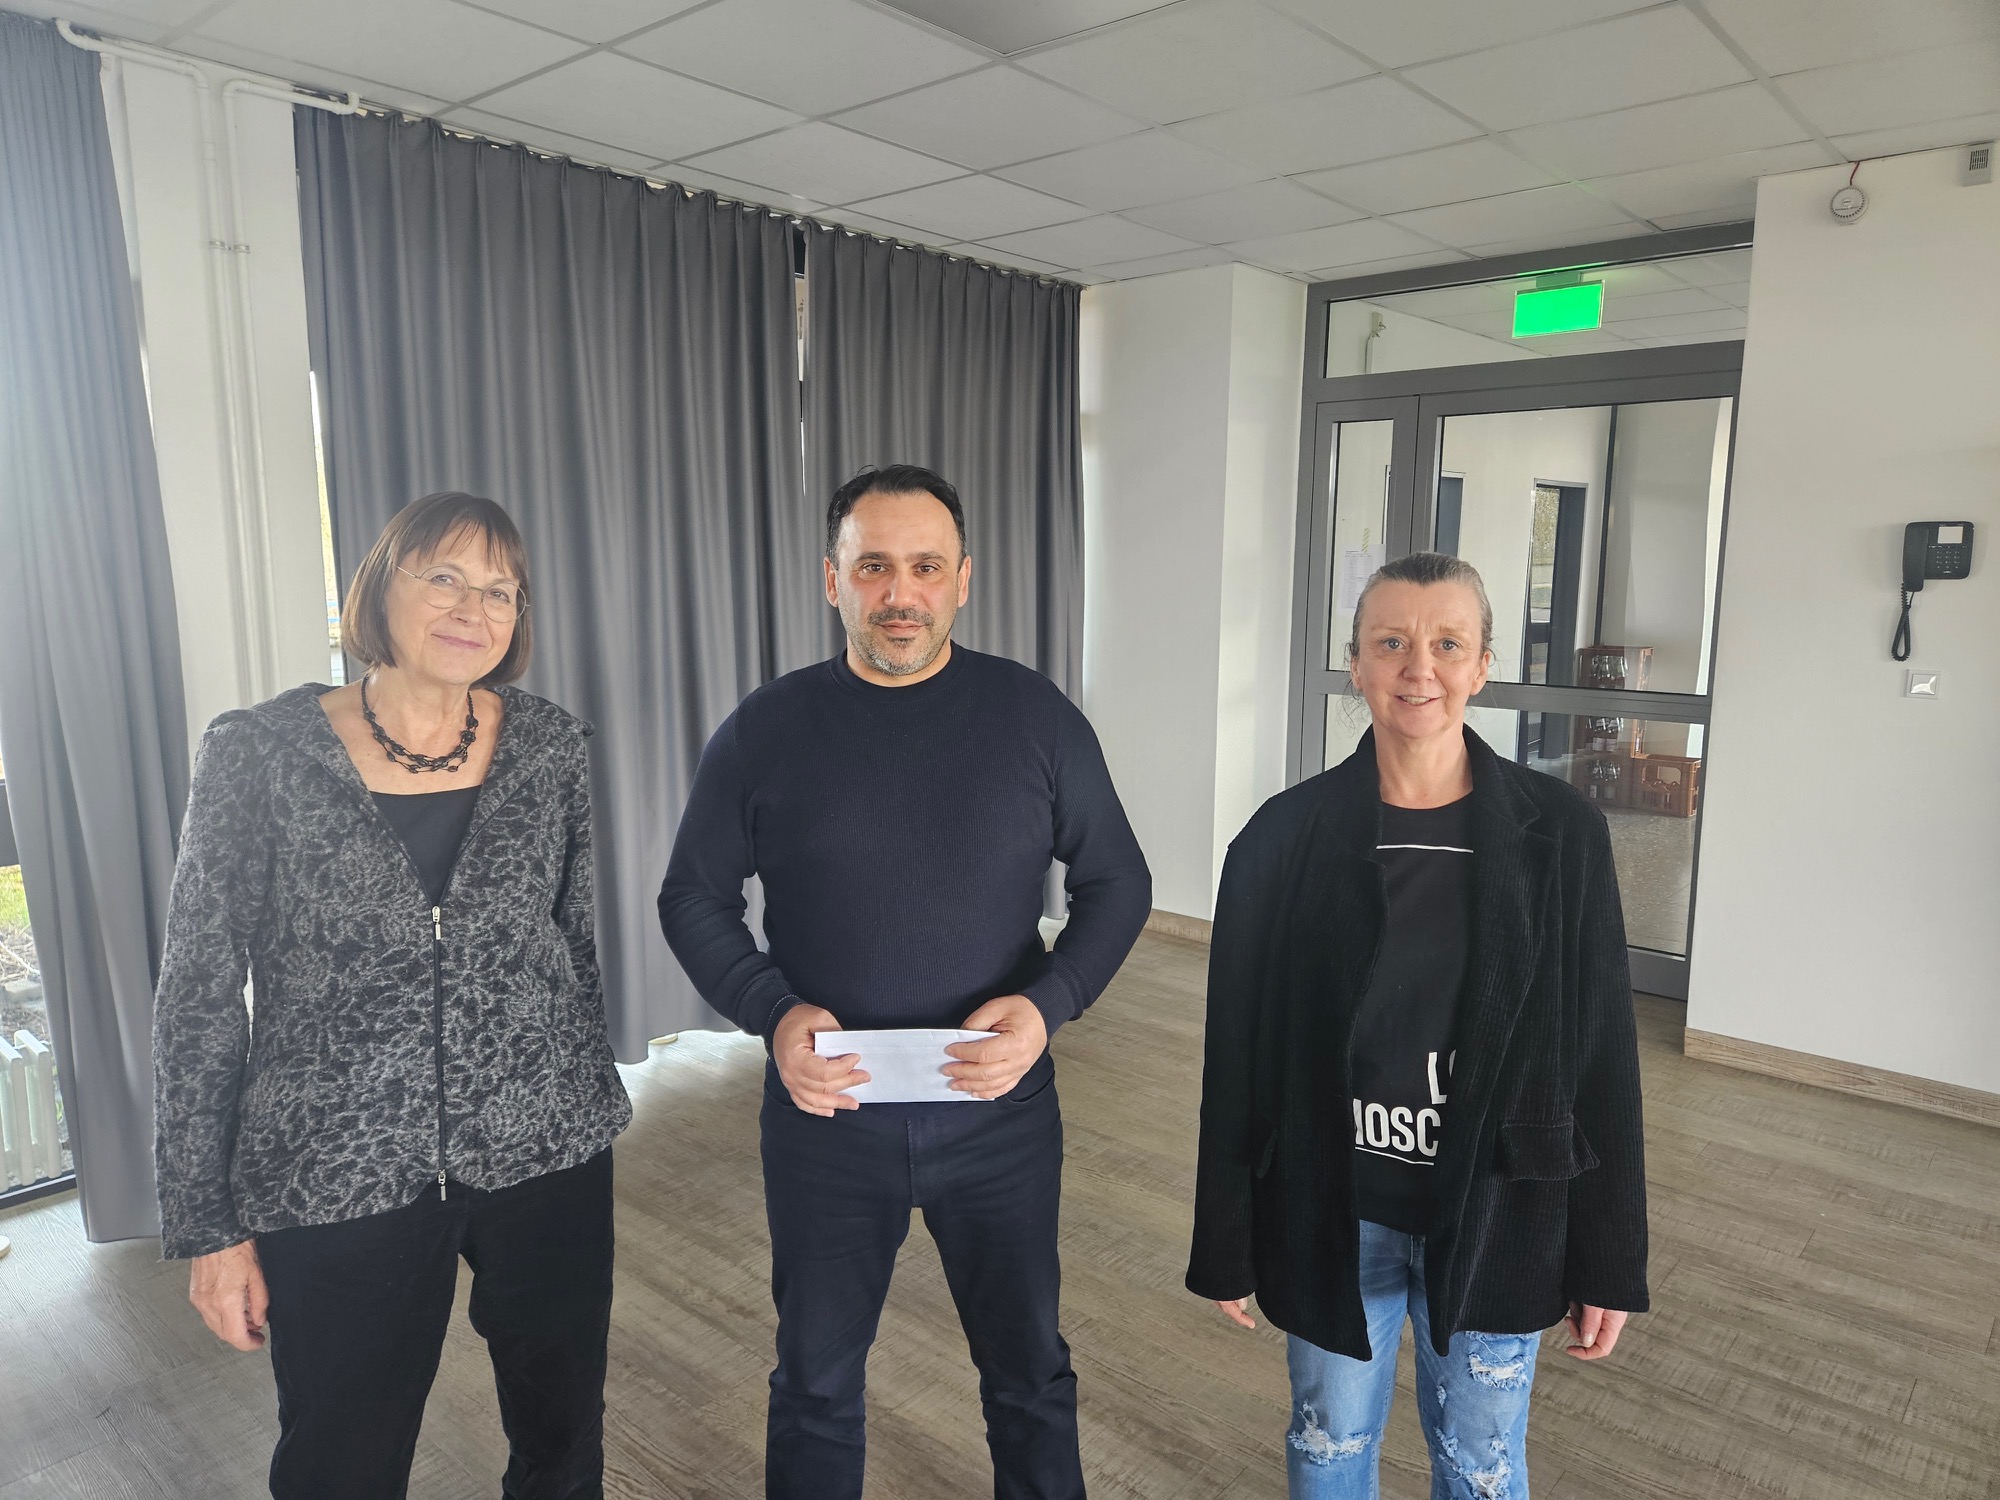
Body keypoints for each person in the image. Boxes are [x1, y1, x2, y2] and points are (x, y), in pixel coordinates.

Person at [659, 464, 1151, 1500]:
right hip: (827, 1116)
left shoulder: (1033, 716)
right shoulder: (767, 728)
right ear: (831, 579)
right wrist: (771, 1012)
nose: (900, 593)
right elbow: (692, 896)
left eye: (925, 567)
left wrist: (1048, 1007)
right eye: (873, 566)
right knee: (814, 1383)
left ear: (962, 580)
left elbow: (1117, 881)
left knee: (1029, 1373)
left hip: (999, 1112)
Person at [154, 492, 632, 1499]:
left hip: (544, 1154)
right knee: (341, 1464)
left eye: (498, 590)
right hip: (336, 1168)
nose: (472, 608)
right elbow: (198, 992)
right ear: (379, 588)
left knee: (563, 1443)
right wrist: (209, 1226)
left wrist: (583, 1098)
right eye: (444, 577)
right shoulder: (259, 753)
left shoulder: (549, 746)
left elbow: (569, 945)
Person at [1186, 551, 1648, 1500]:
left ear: (1483, 667)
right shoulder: (1280, 838)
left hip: (1501, 1206)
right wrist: (1225, 1237)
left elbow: (1603, 1053)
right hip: (1333, 1203)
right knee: (1328, 1443)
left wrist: (1609, 1256)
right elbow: (1234, 1055)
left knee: (1481, 1462)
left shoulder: (1563, 834)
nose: (1418, 669)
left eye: (1447, 644)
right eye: (1391, 643)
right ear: (1355, 664)